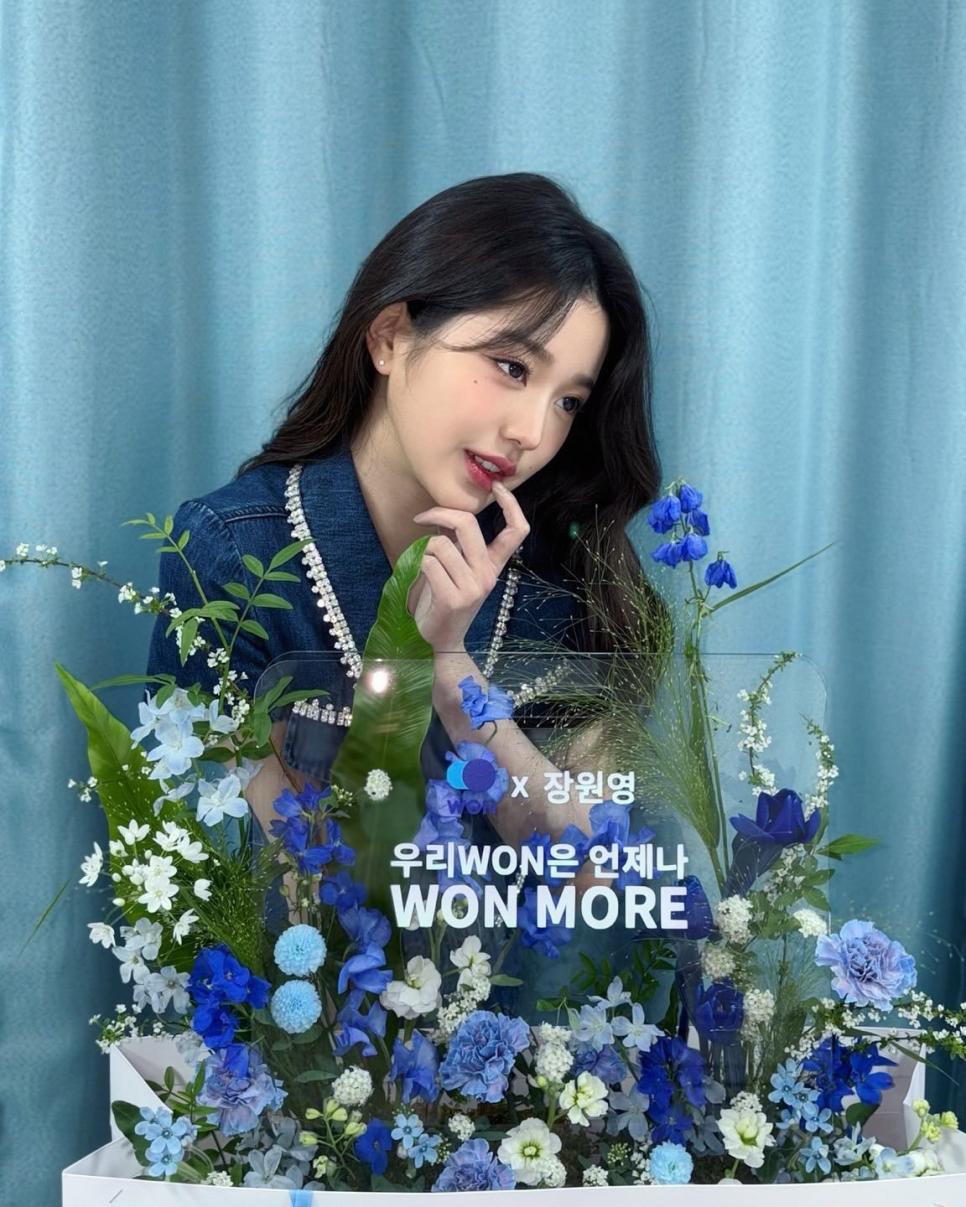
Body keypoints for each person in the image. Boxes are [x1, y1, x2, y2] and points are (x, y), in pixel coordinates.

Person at [145, 171, 671, 1011]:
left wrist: (452, 671)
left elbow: (593, 882)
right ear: (391, 336)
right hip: (314, 1049)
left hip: (535, 1052)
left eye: (569, 401)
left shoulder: (569, 585)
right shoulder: (233, 555)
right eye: (510, 366)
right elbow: (267, 892)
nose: (533, 432)